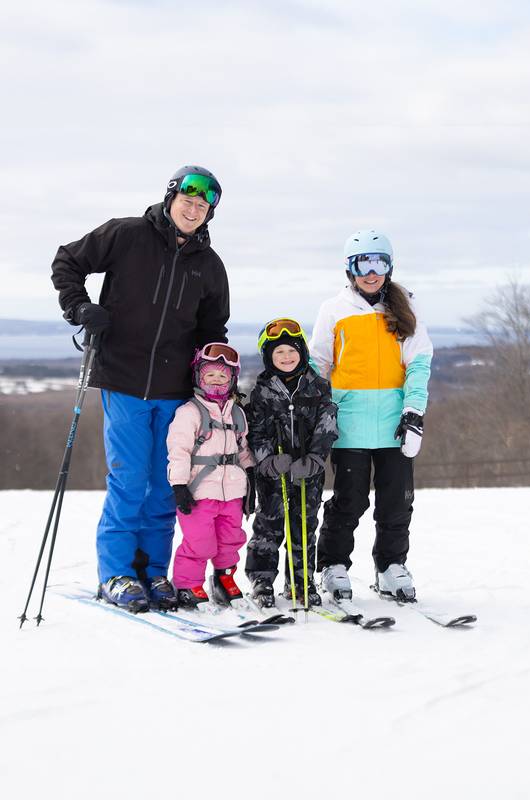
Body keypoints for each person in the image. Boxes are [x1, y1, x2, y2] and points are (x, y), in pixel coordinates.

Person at [51, 166, 229, 612]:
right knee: (129, 481)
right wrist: (79, 307)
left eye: (202, 206)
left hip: (174, 392)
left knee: (166, 483)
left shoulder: (209, 266)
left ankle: (153, 572)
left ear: (209, 214)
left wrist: (213, 382)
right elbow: (67, 261)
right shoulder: (126, 235)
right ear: (171, 199)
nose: (193, 209)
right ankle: (117, 573)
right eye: (187, 200)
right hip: (123, 380)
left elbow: (213, 330)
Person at [309, 229, 433, 602]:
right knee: (350, 499)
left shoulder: (406, 306)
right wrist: (315, 416)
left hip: (395, 423)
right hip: (350, 423)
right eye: (364, 263)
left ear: (389, 266)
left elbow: (419, 362)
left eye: (379, 262)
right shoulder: (334, 310)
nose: (371, 271)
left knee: (397, 500)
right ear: (350, 268)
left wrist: (414, 411)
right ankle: (332, 565)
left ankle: (390, 566)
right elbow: (319, 365)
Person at [244, 318, 338, 608]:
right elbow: (255, 431)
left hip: (308, 474)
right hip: (274, 475)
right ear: (268, 357)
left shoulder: (318, 387)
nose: (287, 357)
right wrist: (267, 461)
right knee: (269, 527)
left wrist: (314, 459)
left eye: (292, 351)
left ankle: (301, 580)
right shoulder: (261, 392)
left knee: (304, 526)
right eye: (279, 352)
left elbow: (328, 424)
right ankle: (261, 580)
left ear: (303, 353)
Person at [167, 343, 255, 608]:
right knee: (199, 542)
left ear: (232, 380)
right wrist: (179, 485)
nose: (217, 381)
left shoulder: (237, 413)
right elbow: (179, 451)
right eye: (210, 375)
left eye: (223, 376)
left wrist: (250, 475)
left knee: (231, 539)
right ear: (198, 377)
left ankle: (223, 579)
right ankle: (187, 584)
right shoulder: (189, 413)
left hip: (232, 491)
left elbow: (243, 448)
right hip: (199, 491)